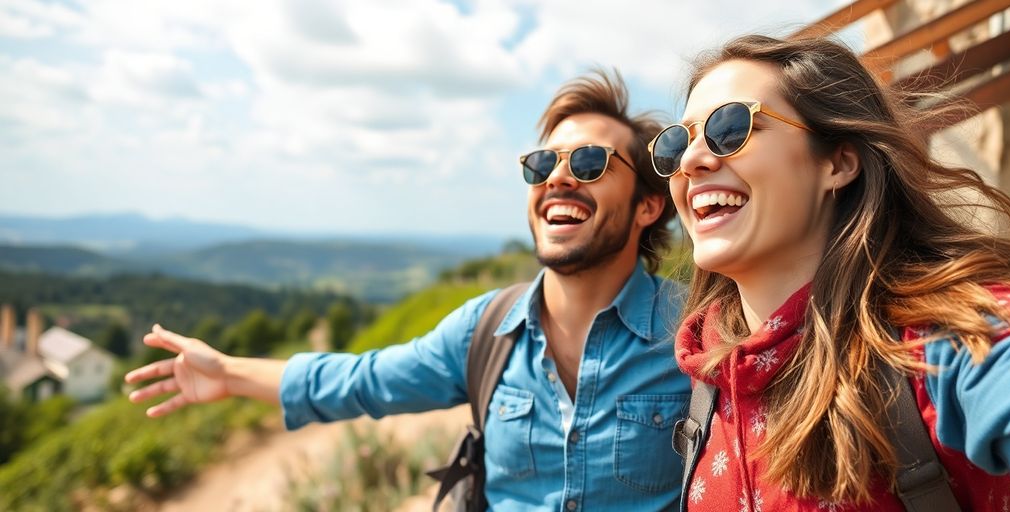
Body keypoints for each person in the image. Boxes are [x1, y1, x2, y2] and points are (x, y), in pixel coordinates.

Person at [126, 69, 691, 510]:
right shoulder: (484, 331)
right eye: (543, 162)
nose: (558, 177)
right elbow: (363, 380)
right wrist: (228, 374)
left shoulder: (692, 333)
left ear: (647, 205)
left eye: (590, 162)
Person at [647, 34, 1010, 510]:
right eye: (677, 143)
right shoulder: (708, 382)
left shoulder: (940, 339)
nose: (690, 161)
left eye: (731, 127)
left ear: (838, 162)